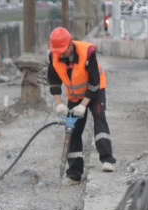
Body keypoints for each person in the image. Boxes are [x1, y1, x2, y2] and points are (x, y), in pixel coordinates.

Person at [48, 27, 117, 185]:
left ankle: (107, 160)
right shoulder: (54, 56)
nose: (61, 54)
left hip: (95, 91)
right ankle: (74, 174)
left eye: (63, 50)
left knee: (99, 118)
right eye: (57, 51)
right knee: (73, 130)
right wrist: (59, 104)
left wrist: (83, 106)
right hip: (75, 95)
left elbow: (94, 83)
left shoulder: (87, 52)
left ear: (70, 44)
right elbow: (54, 82)